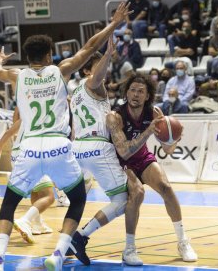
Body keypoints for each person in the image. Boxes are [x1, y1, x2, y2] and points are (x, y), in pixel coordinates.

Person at [0, 2, 131, 271]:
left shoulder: (17, 76)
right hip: (59, 146)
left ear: (28, 56)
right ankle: (58, 252)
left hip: (28, 148)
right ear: (50, 54)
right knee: (77, 200)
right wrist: (114, 23)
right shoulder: (60, 70)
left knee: (8, 205)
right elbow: (89, 47)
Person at [68, 37, 145, 266]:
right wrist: (107, 55)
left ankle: (62, 247)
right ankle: (80, 237)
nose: (103, 72)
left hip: (78, 148)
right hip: (97, 147)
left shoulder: (76, 93)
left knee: (76, 203)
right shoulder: (93, 84)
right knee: (124, 200)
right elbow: (97, 76)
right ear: (86, 71)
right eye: (97, 67)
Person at [107, 74, 197, 262]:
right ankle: (129, 249)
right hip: (122, 163)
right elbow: (124, 153)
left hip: (142, 158)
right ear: (126, 92)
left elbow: (167, 149)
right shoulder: (116, 116)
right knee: (137, 194)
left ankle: (183, 241)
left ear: (147, 96)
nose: (136, 95)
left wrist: (174, 138)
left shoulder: (154, 112)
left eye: (141, 91)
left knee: (166, 187)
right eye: (132, 90)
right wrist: (148, 131)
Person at [0, 115, 55, 243]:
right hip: (31, 154)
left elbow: (8, 133)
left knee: (36, 191)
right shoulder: (45, 116)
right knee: (49, 196)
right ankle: (25, 220)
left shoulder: (25, 118)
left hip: (16, 155)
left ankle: (38, 224)